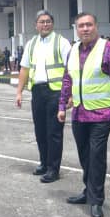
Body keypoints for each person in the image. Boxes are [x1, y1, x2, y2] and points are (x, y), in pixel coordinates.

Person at [57, 13, 110, 217]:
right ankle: (87, 191)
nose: (85, 29)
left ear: (96, 26)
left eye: (89, 25)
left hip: (101, 114)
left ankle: (96, 200)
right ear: (76, 29)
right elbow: (67, 80)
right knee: (84, 155)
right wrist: (62, 105)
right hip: (79, 113)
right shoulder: (72, 50)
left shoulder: (107, 49)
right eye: (81, 26)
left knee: (97, 156)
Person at [15, 10, 72, 183]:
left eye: (48, 21)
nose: (45, 24)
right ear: (36, 25)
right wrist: (19, 92)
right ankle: (44, 163)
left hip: (56, 92)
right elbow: (24, 69)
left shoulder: (62, 42)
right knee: (40, 130)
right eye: (41, 21)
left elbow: (71, 69)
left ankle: (54, 169)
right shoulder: (31, 44)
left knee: (54, 132)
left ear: (52, 24)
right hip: (37, 92)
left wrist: (69, 94)